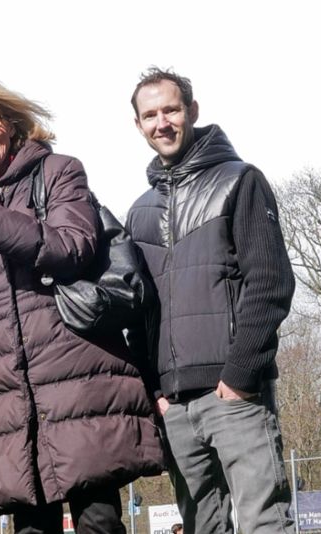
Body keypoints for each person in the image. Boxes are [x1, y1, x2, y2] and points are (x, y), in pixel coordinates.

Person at [0, 72, 163, 534]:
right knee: (30, 527)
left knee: (98, 522)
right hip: (7, 399)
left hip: (80, 384)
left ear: (11, 123)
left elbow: (73, 246)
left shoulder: (58, 172)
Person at [124, 68, 296, 534]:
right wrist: (155, 392)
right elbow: (139, 314)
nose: (162, 123)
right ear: (138, 125)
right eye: (150, 115)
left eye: (171, 110)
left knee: (265, 523)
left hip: (236, 394)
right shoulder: (138, 212)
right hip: (175, 407)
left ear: (193, 111)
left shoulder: (240, 181)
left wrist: (240, 376)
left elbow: (270, 283)